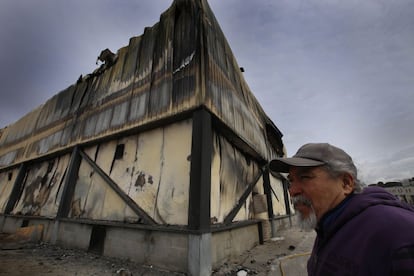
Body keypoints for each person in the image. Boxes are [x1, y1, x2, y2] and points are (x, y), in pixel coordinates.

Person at [269, 143, 414, 276]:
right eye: (291, 181)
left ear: (346, 183)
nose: (292, 191)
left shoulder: (399, 234)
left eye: (305, 177)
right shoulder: (329, 225)